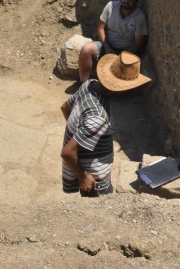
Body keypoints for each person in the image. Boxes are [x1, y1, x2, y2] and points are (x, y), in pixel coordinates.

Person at [61, 51, 151, 196]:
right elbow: (67, 153)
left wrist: (80, 133)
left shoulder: (89, 85)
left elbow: (65, 108)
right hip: (95, 176)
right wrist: (84, 176)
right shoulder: (98, 117)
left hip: (87, 163)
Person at [77, 0, 148, 84]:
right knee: (86, 49)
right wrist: (107, 47)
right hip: (107, 45)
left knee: (114, 80)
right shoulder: (111, 6)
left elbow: (138, 45)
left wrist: (120, 56)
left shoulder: (140, 17)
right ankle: (82, 84)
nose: (126, 0)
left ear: (136, 2)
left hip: (126, 53)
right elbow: (100, 28)